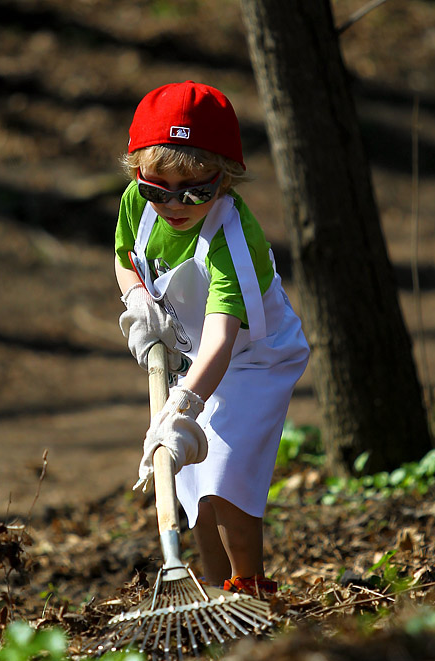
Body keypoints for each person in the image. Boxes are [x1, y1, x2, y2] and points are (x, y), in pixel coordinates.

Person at [115, 81, 310, 595]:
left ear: (225, 180)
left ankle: (247, 586)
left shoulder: (231, 238)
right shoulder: (137, 203)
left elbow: (223, 342)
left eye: (195, 190)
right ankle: (206, 587)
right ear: (139, 174)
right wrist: (138, 301)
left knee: (224, 478)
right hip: (192, 353)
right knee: (192, 484)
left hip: (252, 360)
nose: (174, 205)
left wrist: (181, 407)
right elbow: (124, 259)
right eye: (158, 189)